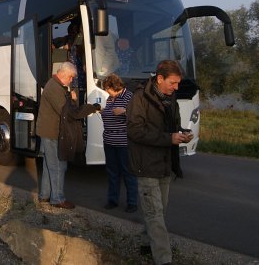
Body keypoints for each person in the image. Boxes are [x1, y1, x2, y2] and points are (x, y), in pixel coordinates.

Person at [127, 60, 193, 265]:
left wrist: (182, 133)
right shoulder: (139, 98)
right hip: (146, 165)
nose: (177, 87)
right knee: (154, 213)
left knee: (159, 210)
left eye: (178, 83)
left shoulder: (171, 98)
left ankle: (146, 243)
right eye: (173, 83)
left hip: (165, 163)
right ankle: (164, 259)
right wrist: (168, 138)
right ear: (160, 79)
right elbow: (134, 131)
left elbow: (173, 126)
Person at [36, 62, 100, 209]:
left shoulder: (55, 85)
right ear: (64, 74)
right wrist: (75, 100)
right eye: (71, 77)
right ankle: (57, 199)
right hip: (51, 132)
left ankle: (45, 196)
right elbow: (68, 112)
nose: (72, 80)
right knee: (59, 165)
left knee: (48, 165)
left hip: (48, 131)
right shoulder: (54, 88)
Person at [100, 73, 137, 212]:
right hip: (109, 142)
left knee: (128, 173)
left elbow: (137, 115)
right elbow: (109, 113)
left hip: (123, 143)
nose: (106, 92)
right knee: (112, 173)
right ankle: (112, 200)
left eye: (107, 89)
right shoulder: (110, 99)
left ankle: (132, 203)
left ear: (113, 86)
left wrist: (125, 111)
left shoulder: (129, 96)